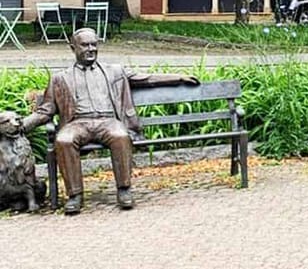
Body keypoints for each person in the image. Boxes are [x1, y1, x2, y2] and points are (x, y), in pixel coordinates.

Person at [19, 27, 199, 215]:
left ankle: (124, 189)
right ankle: (75, 195)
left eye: (94, 44)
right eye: (85, 45)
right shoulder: (60, 78)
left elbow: (146, 79)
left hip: (108, 121)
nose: (91, 49)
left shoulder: (115, 71)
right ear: (73, 48)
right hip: (77, 123)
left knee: (120, 135)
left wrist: (179, 77)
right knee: (64, 140)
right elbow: (46, 110)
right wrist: (22, 125)